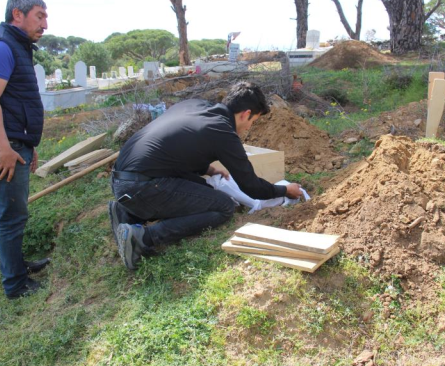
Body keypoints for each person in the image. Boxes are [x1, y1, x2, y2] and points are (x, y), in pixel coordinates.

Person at [109, 82, 303, 270]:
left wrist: (208, 169)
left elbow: (177, 147)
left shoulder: (195, 106)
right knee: (223, 207)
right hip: (142, 187)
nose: (249, 127)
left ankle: (128, 213)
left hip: (121, 180)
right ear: (245, 114)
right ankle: (143, 238)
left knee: (201, 188)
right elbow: (251, 186)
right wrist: (285, 189)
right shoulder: (223, 132)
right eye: (253, 121)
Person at [0, 0, 50, 299]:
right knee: (11, 215)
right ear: (18, 15)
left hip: (14, 142)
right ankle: (15, 285)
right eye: (39, 15)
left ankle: (16, 266)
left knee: (15, 212)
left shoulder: (15, 45)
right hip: (1, 147)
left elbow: (13, 101)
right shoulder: (2, 47)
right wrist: (4, 148)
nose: (45, 23)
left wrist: (26, 144)